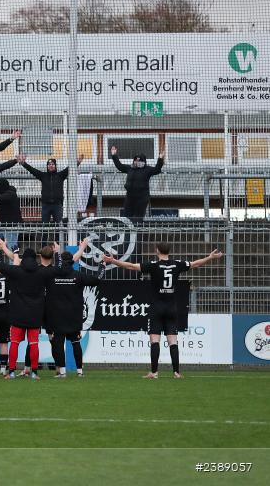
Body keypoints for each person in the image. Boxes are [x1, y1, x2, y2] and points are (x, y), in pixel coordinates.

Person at [104, 244, 222, 379]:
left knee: (155, 340)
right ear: (169, 251)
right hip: (171, 308)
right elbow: (195, 264)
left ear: (157, 251)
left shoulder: (153, 265)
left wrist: (113, 261)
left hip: (156, 308)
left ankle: (154, 373)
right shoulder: (177, 264)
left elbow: (131, 266)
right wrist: (210, 257)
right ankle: (177, 373)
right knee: (173, 341)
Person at [0, 240, 62, 380]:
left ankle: (11, 372)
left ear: (23, 259)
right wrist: (57, 253)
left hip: (17, 314)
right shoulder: (42, 273)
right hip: (35, 315)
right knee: (34, 344)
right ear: (35, 259)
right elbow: (60, 268)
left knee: (15, 344)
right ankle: (34, 373)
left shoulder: (16, 271)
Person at [48, 241, 100, 378]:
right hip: (74, 316)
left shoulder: (52, 275)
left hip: (58, 316)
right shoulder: (78, 275)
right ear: (72, 262)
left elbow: (63, 263)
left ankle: (62, 372)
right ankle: (80, 372)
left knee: (58, 344)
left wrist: (57, 253)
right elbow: (96, 280)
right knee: (76, 342)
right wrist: (103, 266)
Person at [18, 153, 84, 224]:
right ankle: (45, 235)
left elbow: (69, 169)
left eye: (52, 164)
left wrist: (77, 162)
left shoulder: (60, 175)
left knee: (59, 225)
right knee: (45, 225)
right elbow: (32, 170)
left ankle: (58, 235)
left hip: (57, 205)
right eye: (49, 164)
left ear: (55, 166)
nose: (51, 166)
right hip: (45, 205)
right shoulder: (43, 176)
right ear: (47, 166)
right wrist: (23, 163)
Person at [110, 146, 164, 221]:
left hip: (141, 198)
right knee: (127, 217)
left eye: (139, 161)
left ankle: (137, 231)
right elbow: (119, 166)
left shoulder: (147, 169)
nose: (137, 162)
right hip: (130, 197)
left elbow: (157, 169)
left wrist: (160, 158)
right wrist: (114, 155)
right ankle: (128, 231)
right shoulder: (130, 168)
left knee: (138, 218)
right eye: (135, 160)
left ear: (143, 162)